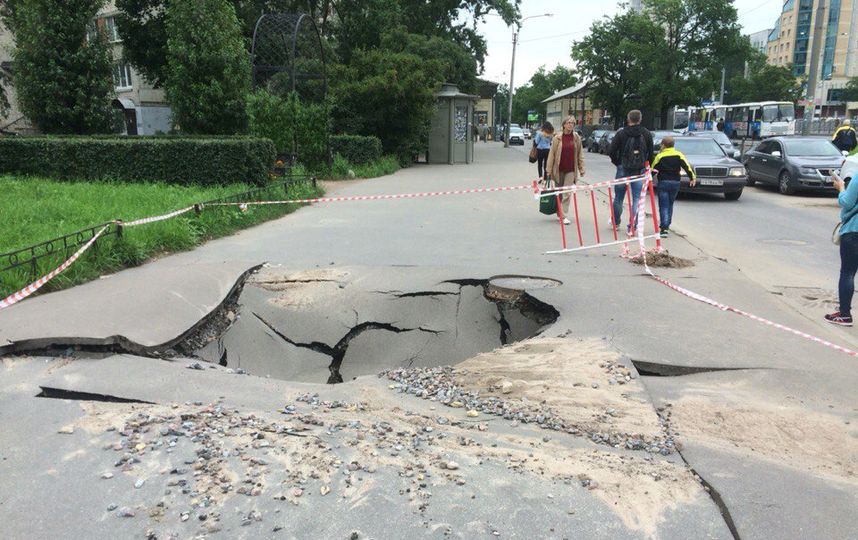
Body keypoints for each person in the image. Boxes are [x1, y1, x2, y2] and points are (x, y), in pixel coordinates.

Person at [607, 109, 653, 232]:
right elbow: (650, 153)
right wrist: (646, 166)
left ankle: (616, 223)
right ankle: (633, 226)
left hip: (623, 168)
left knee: (618, 198)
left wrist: (618, 163)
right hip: (639, 169)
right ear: (640, 119)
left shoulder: (621, 133)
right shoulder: (646, 133)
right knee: (637, 198)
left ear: (628, 119)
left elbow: (611, 150)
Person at [825, 172, 858, 326]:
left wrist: (841, 187)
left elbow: (847, 202)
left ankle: (844, 314)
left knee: (848, 272)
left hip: (854, 231)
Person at [651, 136, 696, 238]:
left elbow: (653, 170)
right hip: (675, 183)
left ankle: (664, 228)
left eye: (661, 145)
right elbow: (687, 167)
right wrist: (692, 178)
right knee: (670, 204)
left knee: (663, 206)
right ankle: (667, 223)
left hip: (663, 183)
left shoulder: (660, 156)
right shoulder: (679, 155)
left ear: (663, 145)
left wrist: (648, 180)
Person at [546, 116, 586, 225]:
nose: (570, 125)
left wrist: (582, 168)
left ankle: (563, 216)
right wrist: (548, 170)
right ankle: (560, 213)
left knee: (567, 192)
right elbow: (552, 154)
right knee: (559, 192)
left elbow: (580, 154)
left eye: (572, 123)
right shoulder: (557, 138)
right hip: (558, 169)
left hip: (571, 170)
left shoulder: (576, 138)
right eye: (568, 123)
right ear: (564, 124)